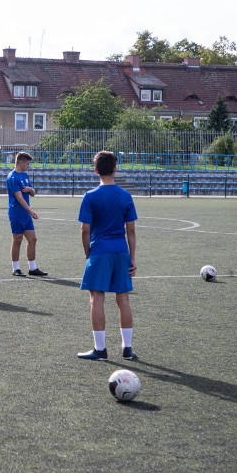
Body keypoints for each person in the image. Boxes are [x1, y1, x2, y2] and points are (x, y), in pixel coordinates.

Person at [77, 151, 139, 361]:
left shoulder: (90, 196)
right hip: (121, 251)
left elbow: (85, 230)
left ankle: (100, 350)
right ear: (115, 168)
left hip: (100, 252)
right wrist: (132, 258)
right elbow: (130, 231)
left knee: (96, 299)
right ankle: (127, 348)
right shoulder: (125, 196)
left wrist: (88, 253)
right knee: (123, 299)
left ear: (95, 170)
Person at [7, 152, 48, 277]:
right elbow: (19, 197)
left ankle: (32, 267)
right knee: (17, 240)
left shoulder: (25, 175)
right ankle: (16, 268)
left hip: (25, 214)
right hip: (17, 213)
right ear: (21, 162)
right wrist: (31, 211)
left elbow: (32, 192)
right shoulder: (12, 177)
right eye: (27, 163)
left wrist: (31, 190)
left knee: (32, 239)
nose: (28, 166)